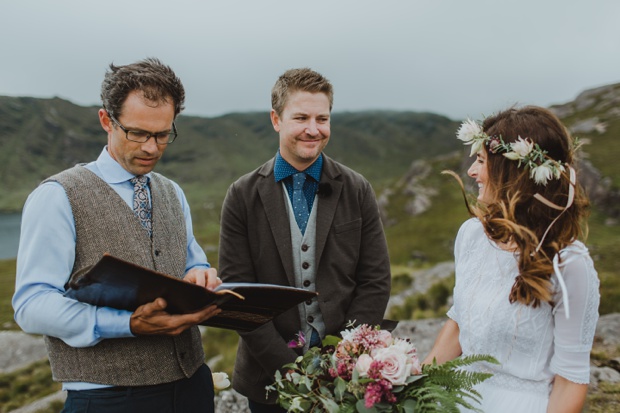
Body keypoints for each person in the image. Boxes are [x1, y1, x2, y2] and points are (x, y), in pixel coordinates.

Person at [13, 58, 223, 413]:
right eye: (138, 133)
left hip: (192, 387)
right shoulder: (58, 196)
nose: (151, 148)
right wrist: (126, 324)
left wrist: (201, 274)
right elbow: (31, 305)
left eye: (162, 135)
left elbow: (193, 259)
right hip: (108, 398)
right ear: (106, 120)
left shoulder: (173, 191)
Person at [218, 68, 392, 412]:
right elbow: (239, 295)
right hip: (268, 381)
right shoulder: (242, 195)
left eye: (322, 118)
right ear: (276, 119)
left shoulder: (357, 189)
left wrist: (344, 356)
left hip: (348, 378)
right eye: (301, 117)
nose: (313, 129)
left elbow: (375, 280)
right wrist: (289, 368)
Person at [423, 106, 600, 412]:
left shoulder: (569, 266)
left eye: (480, 161)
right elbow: (458, 323)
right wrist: (416, 386)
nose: (471, 172)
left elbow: (570, 381)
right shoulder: (472, 235)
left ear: (513, 173)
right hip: (457, 399)